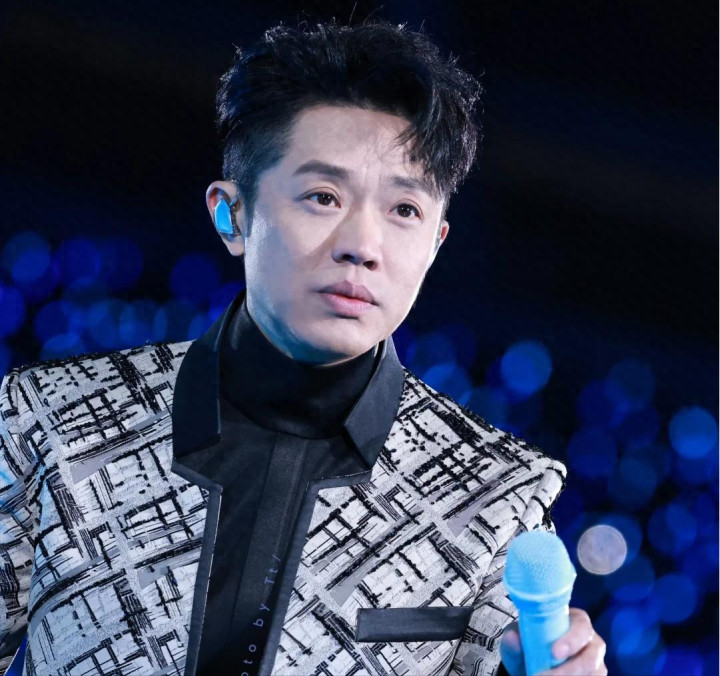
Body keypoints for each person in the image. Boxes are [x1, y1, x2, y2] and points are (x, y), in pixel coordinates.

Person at [0, 19, 606, 676]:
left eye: (404, 210)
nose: (362, 245)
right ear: (232, 214)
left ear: (436, 244)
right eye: (323, 196)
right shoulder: (50, 419)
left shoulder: (495, 495)